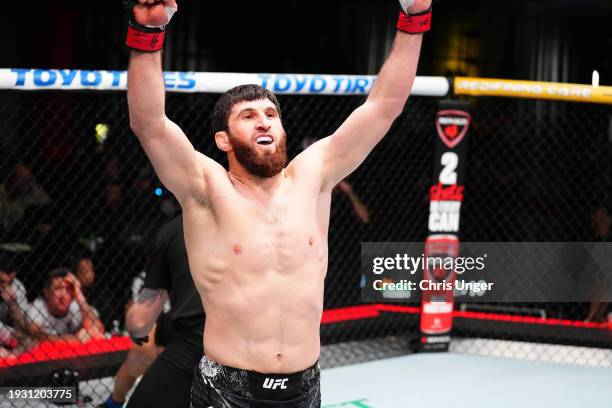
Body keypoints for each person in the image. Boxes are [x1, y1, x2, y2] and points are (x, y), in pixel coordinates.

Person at [125, 0, 431, 405]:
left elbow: (383, 106)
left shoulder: (314, 176)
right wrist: (147, 33)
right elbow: (150, 125)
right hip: (226, 389)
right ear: (223, 140)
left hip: (305, 388)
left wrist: (414, 19)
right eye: (248, 116)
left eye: (270, 113)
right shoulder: (207, 188)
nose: (264, 121)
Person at [99, 215, 205, 408]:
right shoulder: (147, 277)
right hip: (166, 326)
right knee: (140, 352)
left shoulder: (203, 270)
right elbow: (143, 323)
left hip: (198, 333)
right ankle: (114, 402)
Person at [26, 268, 105, 342]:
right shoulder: (38, 306)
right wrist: (74, 339)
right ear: (47, 292)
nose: (64, 295)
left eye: (68, 289)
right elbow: (35, 335)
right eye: (58, 288)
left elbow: (98, 328)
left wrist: (79, 294)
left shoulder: (74, 304)